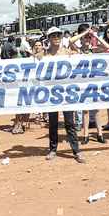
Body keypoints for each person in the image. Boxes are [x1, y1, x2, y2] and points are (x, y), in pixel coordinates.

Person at [40, 27, 85, 164]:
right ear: (49, 38)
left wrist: (75, 53)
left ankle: (76, 150)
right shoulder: (45, 55)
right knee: (52, 122)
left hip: (66, 92)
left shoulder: (67, 53)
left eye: (58, 35)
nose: (56, 38)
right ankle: (53, 149)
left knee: (70, 123)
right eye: (53, 36)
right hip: (52, 93)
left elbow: (80, 56)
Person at [69, 24, 105, 144]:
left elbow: (107, 47)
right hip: (83, 83)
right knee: (85, 110)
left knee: (97, 109)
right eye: (85, 37)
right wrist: (84, 33)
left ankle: (100, 133)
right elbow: (70, 40)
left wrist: (95, 35)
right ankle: (85, 134)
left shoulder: (94, 50)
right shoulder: (77, 50)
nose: (87, 39)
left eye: (88, 37)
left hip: (94, 81)